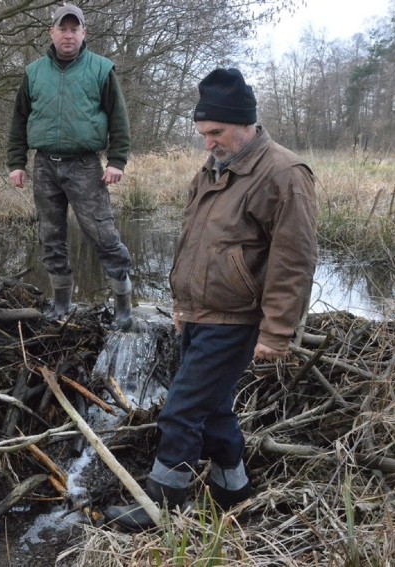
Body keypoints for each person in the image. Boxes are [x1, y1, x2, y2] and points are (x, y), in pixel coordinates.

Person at [104, 68, 318, 531]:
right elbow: (193, 244)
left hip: (236, 320)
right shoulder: (212, 169)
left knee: (181, 409)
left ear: (246, 123)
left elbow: (294, 261)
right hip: (199, 314)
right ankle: (234, 492)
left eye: (216, 132)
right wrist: (181, 307)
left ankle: (160, 504)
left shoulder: (284, 174)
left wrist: (277, 331)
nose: (208, 143)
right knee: (215, 409)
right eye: (203, 134)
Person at [7, 3, 134, 330]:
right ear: (52, 32)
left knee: (103, 233)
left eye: (74, 29)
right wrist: (16, 163)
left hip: (85, 166)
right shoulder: (34, 72)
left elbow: (119, 119)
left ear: (83, 33)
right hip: (45, 165)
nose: (68, 35)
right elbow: (19, 120)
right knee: (51, 236)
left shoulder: (101, 69)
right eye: (62, 29)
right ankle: (61, 302)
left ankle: (123, 302)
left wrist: (117, 160)